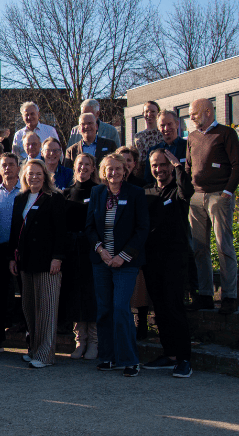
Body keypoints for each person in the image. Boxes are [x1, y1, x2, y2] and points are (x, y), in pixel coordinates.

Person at [85, 154, 149, 377]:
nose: (113, 173)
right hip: (101, 261)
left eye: (118, 169)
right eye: (109, 169)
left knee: (121, 308)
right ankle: (108, 357)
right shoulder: (97, 193)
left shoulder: (135, 194)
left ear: (125, 171)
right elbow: (90, 228)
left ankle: (130, 359)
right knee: (104, 310)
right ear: (103, 171)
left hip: (126, 262)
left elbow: (142, 229)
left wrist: (123, 256)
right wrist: (101, 250)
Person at [186, 97, 239, 315]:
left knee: (224, 247)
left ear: (208, 112)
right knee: (200, 249)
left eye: (194, 113)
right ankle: (205, 295)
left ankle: (229, 297)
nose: (191, 117)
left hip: (218, 196)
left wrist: (227, 193)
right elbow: (189, 168)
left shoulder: (226, 133)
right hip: (197, 198)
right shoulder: (191, 137)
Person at [141, 150, 194, 378]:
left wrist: (178, 165)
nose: (159, 169)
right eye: (155, 165)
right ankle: (169, 354)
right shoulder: (147, 192)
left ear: (170, 167)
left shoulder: (178, 192)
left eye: (163, 165)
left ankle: (184, 359)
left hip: (175, 259)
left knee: (174, 308)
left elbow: (188, 189)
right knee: (160, 309)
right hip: (153, 260)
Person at [8, 159, 66, 368]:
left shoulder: (54, 198)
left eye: (38, 174)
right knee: (29, 308)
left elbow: (61, 231)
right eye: (30, 173)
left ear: (45, 176)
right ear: (24, 176)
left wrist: (57, 257)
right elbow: (15, 231)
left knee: (47, 309)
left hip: (48, 263)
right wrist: (12, 259)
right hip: (25, 262)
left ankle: (45, 354)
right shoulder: (20, 198)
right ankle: (33, 348)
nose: (34, 177)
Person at [61, 153, 100, 360]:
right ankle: (80, 341)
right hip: (71, 250)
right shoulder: (66, 193)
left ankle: (93, 341)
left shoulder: (98, 191)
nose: (83, 168)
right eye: (79, 164)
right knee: (74, 296)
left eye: (87, 164)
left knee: (90, 296)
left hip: (91, 250)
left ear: (93, 168)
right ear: (74, 167)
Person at [0, 152, 22, 352]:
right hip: (0, 249)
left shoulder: (25, 192)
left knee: (25, 295)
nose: (8, 168)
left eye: (11, 164)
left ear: (18, 167)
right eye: (4, 165)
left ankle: (29, 337)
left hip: (21, 249)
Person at [140, 109, 187, 186]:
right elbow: (148, 179)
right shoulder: (153, 151)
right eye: (162, 125)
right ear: (158, 128)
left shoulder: (188, 147)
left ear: (177, 124)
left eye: (169, 124)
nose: (166, 128)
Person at [132, 101, 163, 183]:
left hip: (160, 171)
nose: (149, 114)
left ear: (158, 113)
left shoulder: (163, 134)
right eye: (147, 111)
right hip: (142, 174)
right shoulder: (138, 136)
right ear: (143, 114)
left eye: (153, 111)